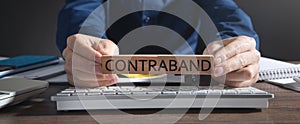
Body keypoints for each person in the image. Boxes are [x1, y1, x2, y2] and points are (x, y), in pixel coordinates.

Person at [56, 0, 261, 88]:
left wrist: (235, 48)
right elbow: (82, 9)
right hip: (110, 77)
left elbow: (227, 13)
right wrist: (87, 45)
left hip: (190, 83)